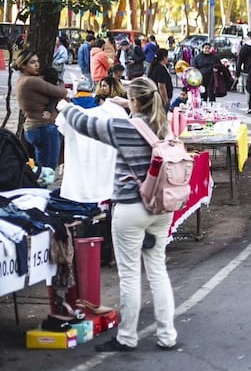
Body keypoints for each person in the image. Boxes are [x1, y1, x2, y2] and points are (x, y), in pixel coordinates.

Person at [57, 77, 178, 352]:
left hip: (131, 209)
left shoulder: (123, 128)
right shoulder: (163, 125)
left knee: (130, 274)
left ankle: (127, 336)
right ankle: (167, 335)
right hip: (162, 207)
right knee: (158, 270)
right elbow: (146, 111)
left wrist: (66, 106)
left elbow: (84, 124)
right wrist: (131, 104)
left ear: (134, 101)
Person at [14, 50, 68, 172]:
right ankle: (39, 190)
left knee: (42, 169)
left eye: (37, 61)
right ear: (23, 65)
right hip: (44, 128)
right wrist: (60, 85)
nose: (37, 65)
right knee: (46, 172)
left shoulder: (23, 80)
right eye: (32, 62)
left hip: (36, 127)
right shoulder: (32, 81)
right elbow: (62, 92)